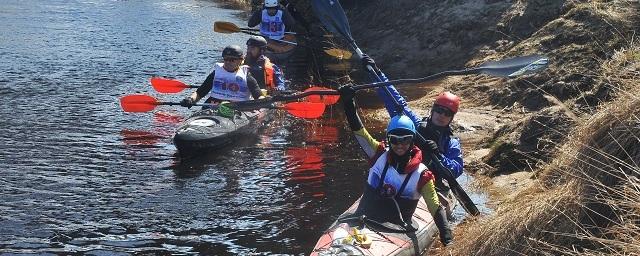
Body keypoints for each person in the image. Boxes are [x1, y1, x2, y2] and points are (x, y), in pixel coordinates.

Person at [337, 85, 454, 246]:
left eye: (405, 139)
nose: (400, 145)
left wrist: (446, 235)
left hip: (400, 228)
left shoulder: (422, 175)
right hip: (363, 216)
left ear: (412, 141)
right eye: (394, 140)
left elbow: (435, 206)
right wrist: (348, 103)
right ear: (388, 139)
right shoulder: (378, 154)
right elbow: (359, 131)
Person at [361, 55, 464, 216]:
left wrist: (438, 155)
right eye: (439, 110)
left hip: (429, 185)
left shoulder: (451, 143)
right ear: (432, 109)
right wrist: (376, 73)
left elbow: (456, 170)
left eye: (447, 113)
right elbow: (395, 100)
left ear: (452, 117)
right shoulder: (414, 124)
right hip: (399, 178)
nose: (441, 115)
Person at [180, 45, 263, 109]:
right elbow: (200, 92)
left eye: (232, 60)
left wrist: (265, 102)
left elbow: (258, 95)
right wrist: (191, 99)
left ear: (240, 60)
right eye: (226, 59)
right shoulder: (216, 73)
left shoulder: (246, 76)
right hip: (213, 106)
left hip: (238, 109)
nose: (228, 62)